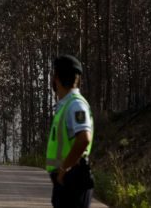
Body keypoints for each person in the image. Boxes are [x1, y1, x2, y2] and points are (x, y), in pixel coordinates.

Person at [46, 54, 95, 208]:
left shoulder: (75, 106)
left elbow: (84, 139)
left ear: (57, 78)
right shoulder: (66, 105)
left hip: (73, 178)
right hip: (67, 180)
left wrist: (63, 169)